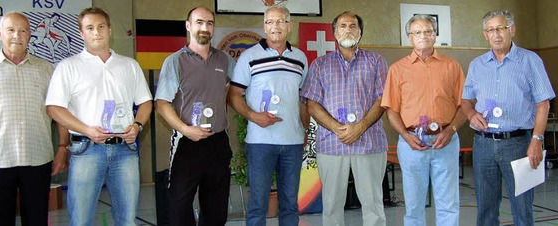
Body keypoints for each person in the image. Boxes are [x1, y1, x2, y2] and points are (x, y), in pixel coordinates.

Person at [45, 7, 152, 225]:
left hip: (125, 149)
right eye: (90, 28)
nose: (96, 32)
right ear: (82, 33)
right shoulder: (68, 67)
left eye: (101, 26)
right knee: (81, 220)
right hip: (86, 150)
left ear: (110, 30)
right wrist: (87, 130)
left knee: (127, 220)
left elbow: (146, 102)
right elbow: (54, 108)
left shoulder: (129, 65)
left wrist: (138, 125)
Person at [460, 10, 555, 226]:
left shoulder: (531, 60)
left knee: (522, 207)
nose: (496, 34)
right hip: (483, 144)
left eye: (501, 28)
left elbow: (543, 103)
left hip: (518, 143)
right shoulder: (477, 65)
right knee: (485, 208)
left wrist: (537, 140)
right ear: (485, 34)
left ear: (512, 30)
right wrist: (471, 114)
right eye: (491, 29)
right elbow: (465, 101)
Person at [300, 11, 388, 226]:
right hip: (331, 144)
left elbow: (383, 99)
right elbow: (311, 103)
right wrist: (337, 128)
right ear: (334, 32)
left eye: (352, 26)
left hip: (369, 143)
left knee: (373, 205)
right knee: (331, 205)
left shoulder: (376, 62)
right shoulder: (320, 65)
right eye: (342, 26)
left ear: (360, 32)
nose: (347, 29)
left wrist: (360, 127)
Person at [381, 15, 466, 226]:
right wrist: (405, 136)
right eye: (417, 32)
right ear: (409, 38)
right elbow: (391, 110)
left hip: (445, 141)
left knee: (448, 204)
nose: (423, 36)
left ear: (435, 35)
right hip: (412, 144)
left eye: (428, 31)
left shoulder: (452, 66)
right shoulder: (397, 69)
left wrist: (451, 130)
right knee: (414, 206)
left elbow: (464, 105)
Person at [228, 5, 308, 226]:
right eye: (271, 22)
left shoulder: (300, 58)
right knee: (258, 205)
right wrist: (253, 116)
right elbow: (234, 95)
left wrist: (305, 129)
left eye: (281, 21)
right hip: (260, 142)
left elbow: (303, 99)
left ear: (289, 26)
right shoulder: (249, 57)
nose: (276, 26)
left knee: (290, 204)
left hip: (292, 143)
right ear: (264, 26)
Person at [155, 6, 235, 226]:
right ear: (188, 26)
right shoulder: (175, 61)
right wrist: (185, 129)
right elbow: (162, 104)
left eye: (209, 23)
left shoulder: (225, 60)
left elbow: (234, 90)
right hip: (186, 143)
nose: (205, 27)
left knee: (216, 210)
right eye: (199, 22)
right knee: (179, 207)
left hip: (217, 142)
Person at [0, 12, 69, 226]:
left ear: (30, 35)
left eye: (23, 31)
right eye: (11, 30)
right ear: (0, 34)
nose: (16, 36)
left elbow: (59, 113)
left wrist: (62, 147)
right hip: (1, 159)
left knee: (37, 219)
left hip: (38, 158)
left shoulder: (46, 69)